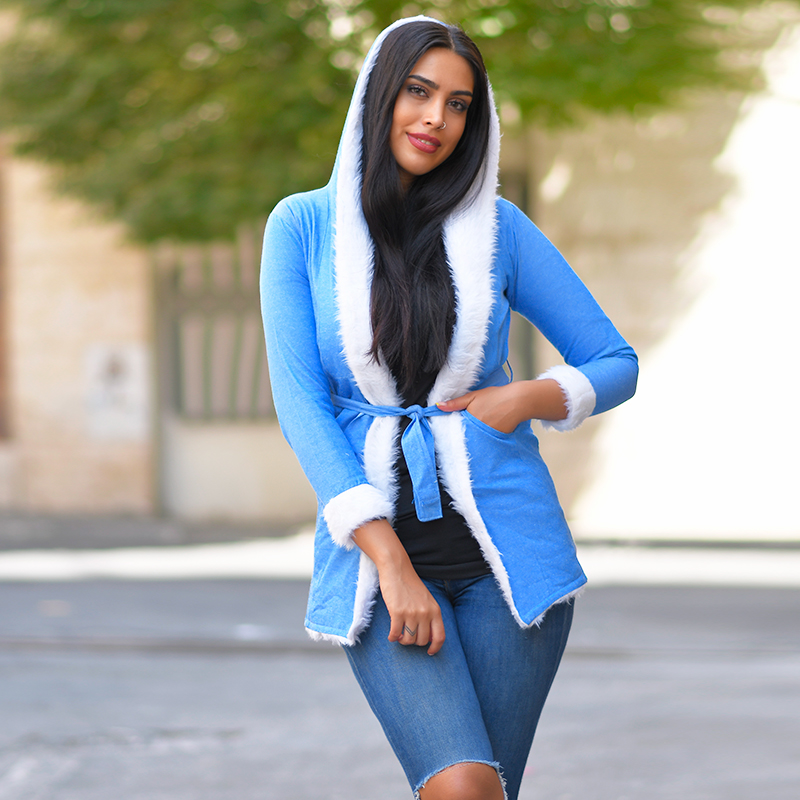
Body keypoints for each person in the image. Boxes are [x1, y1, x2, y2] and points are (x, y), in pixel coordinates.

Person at [261, 16, 637, 800]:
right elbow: (302, 405)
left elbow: (614, 362)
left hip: (509, 563)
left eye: (460, 105)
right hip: (383, 565)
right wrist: (392, 564)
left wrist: (528, 397)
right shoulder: (301, 226)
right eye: (419, 92)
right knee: (462, 785)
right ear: (379, 95)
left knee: (486, 794)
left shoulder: (499, 229)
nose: (436, 117)